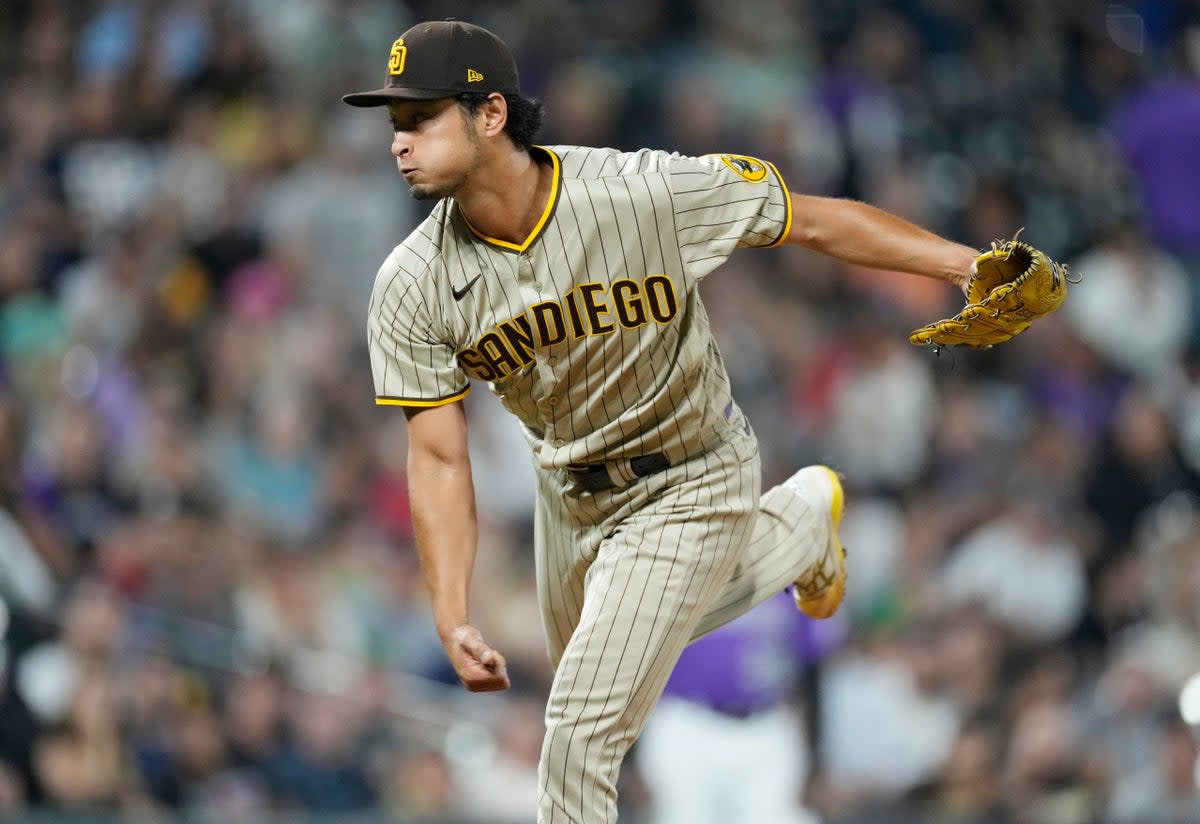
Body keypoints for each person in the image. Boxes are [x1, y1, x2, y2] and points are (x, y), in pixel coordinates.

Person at [342, 19, 974, 823]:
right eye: (397, 123)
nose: (400, 141)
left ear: (490, 115)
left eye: (421, 117)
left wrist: (964, 264)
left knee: (577, 730)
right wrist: (451, 605)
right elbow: (436, 456)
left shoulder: (637, 193)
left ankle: (791, 524)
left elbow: (806, 219)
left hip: (689, 467)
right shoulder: (412, 283)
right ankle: (799, 525)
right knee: (614, 657)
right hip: (569, 492)